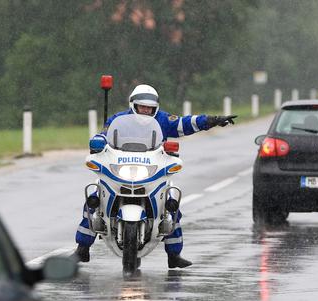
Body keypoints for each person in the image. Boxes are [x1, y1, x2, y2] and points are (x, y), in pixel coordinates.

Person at [75, 84, 237, 268]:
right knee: (94, 199)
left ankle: (174, 255)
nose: (146, 110)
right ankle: (82, 248)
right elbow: (104, 135)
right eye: (142, 107)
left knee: (171, 206)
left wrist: (211, 120)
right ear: (133, 105)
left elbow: (185, 123)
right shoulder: (118, 119)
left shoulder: (163, 119)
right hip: (121, 168)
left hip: (152, 169)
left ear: (155, 107)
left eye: (149, 107)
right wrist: (98, 143)